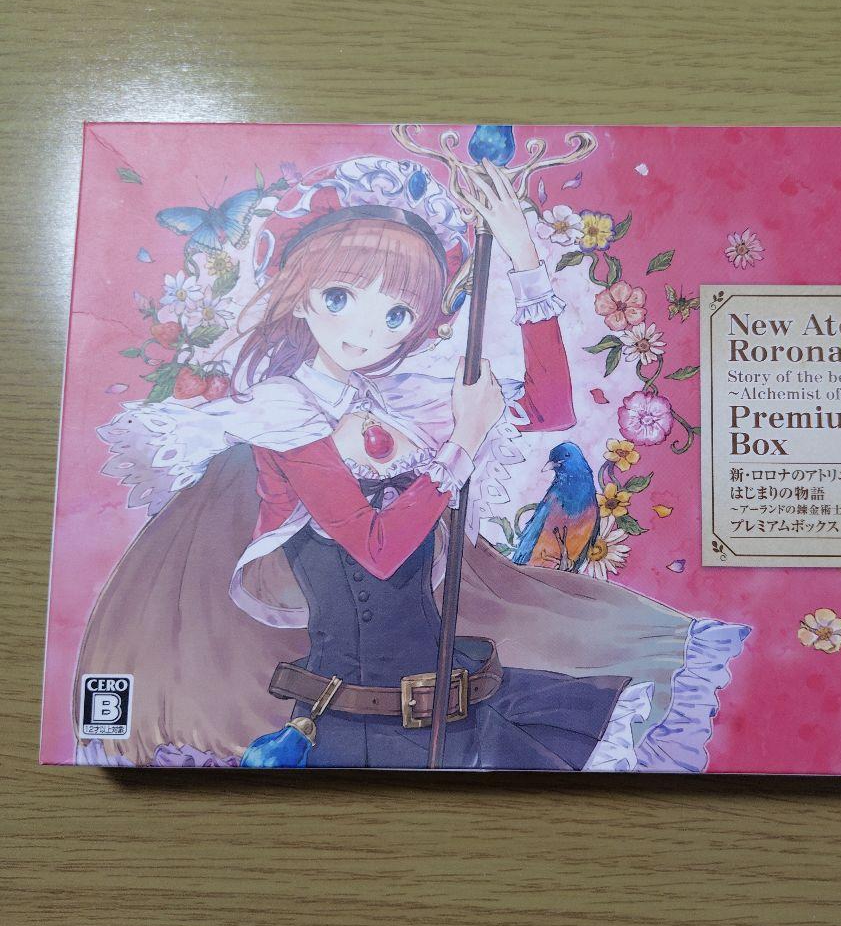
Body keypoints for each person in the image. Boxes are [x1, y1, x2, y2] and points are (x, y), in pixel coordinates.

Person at [76, 154, 750, 771]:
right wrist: (462, 443)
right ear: (300, 294)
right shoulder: (284, 414)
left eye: (398, 313)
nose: (368, 331)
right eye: (340, 298)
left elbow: (549, 408)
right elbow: (376, 551)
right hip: (353, 722)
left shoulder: (401, 397)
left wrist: (523, 260)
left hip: (449, 699)